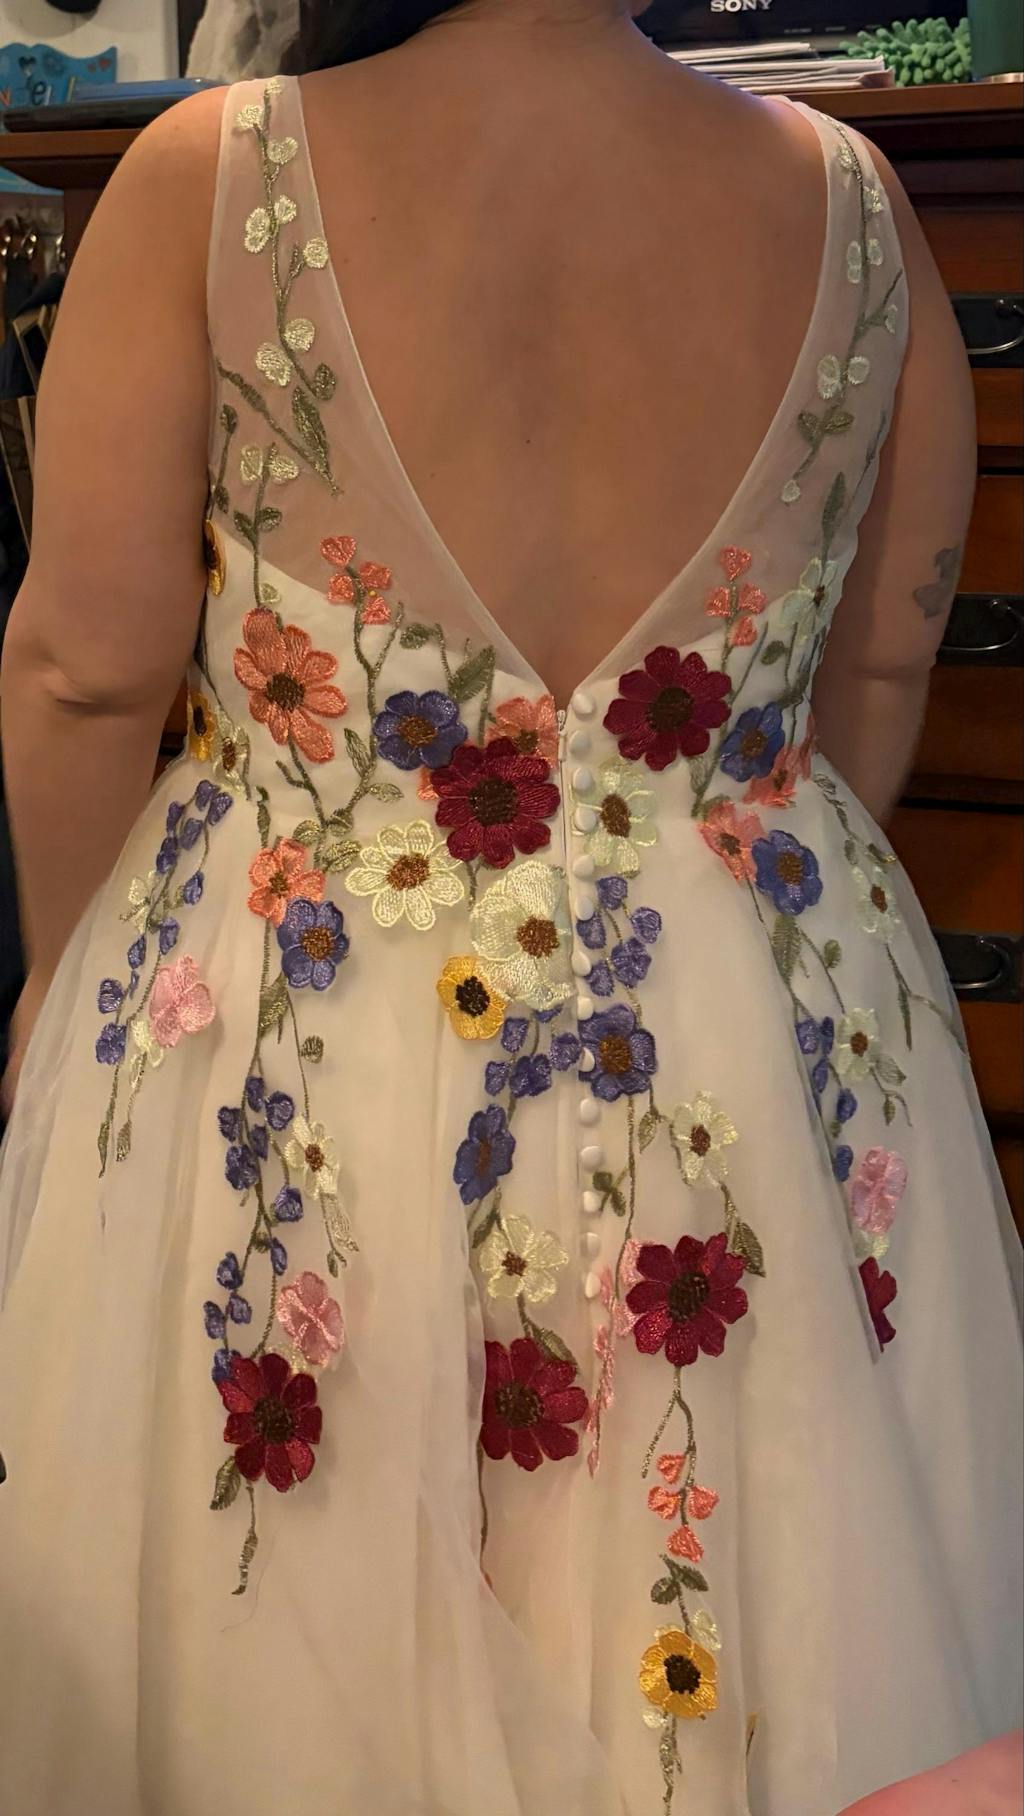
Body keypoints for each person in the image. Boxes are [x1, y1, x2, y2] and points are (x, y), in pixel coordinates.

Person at [0, 2, 1020, 1811]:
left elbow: (87, 665)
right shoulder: (855, 204)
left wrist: (64, 978)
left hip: (302, 1007)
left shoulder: (214, 173)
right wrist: (722, 862)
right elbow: (882, 659)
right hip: (742, 1005)